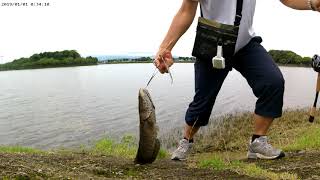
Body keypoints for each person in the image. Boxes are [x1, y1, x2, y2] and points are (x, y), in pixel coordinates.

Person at [154, 0, 320, 160]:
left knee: (273, 82)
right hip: (213, 43)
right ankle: (186, 141)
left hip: (245, 44)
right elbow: (186, 10)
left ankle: (258, 141)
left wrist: (312, 3)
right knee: (202, 101)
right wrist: (165, 48)